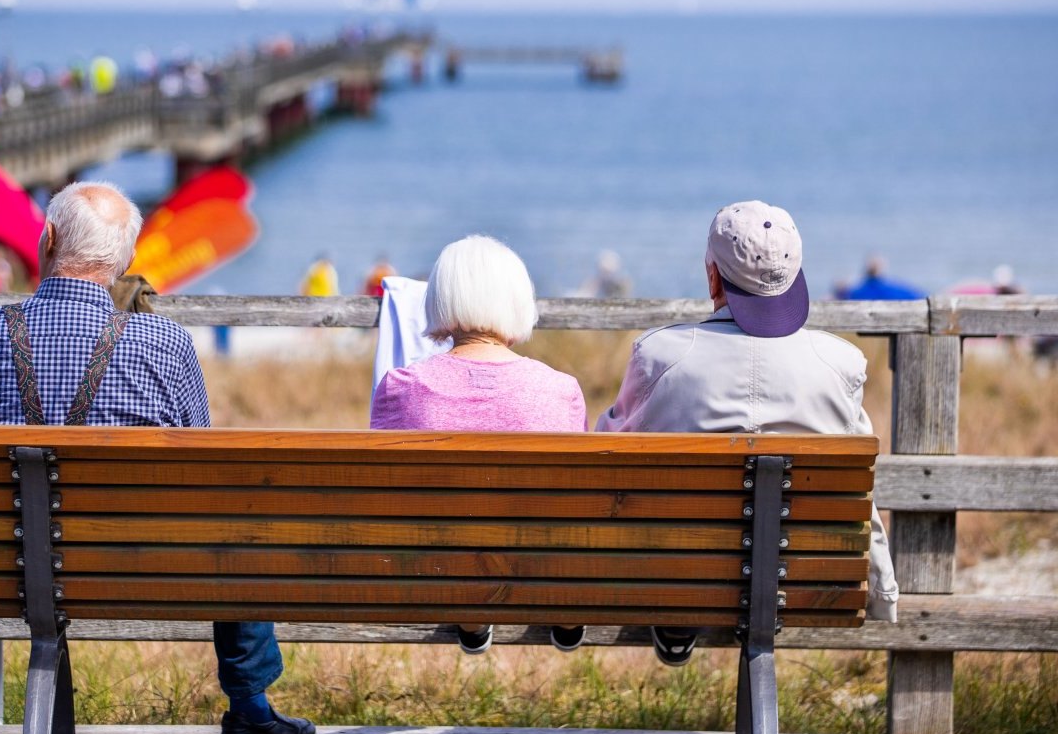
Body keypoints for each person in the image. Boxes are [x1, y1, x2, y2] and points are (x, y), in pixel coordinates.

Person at [0, 181, 315, 734]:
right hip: (139, 568)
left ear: (47, 240)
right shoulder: (168, 343)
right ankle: (250, 708)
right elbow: (203, 467)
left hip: (6, 566)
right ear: (125, 260)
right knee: (232, 506)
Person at [596, 200, 899, 665]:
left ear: (713, 276)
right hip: (805, 579)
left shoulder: (660, 355)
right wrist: (882, 591)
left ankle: (678, 615)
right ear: (796, 275)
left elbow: (608, 449)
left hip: (678, 572)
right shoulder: (840, 365)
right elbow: (863, 486)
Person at [371, 235, 588, 654]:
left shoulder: (400, 388)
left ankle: (472, 614)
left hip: (431, 567)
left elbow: (385, 492)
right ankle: (565, 611)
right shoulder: (561, 389)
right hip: (539, 568)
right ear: (518, 300)